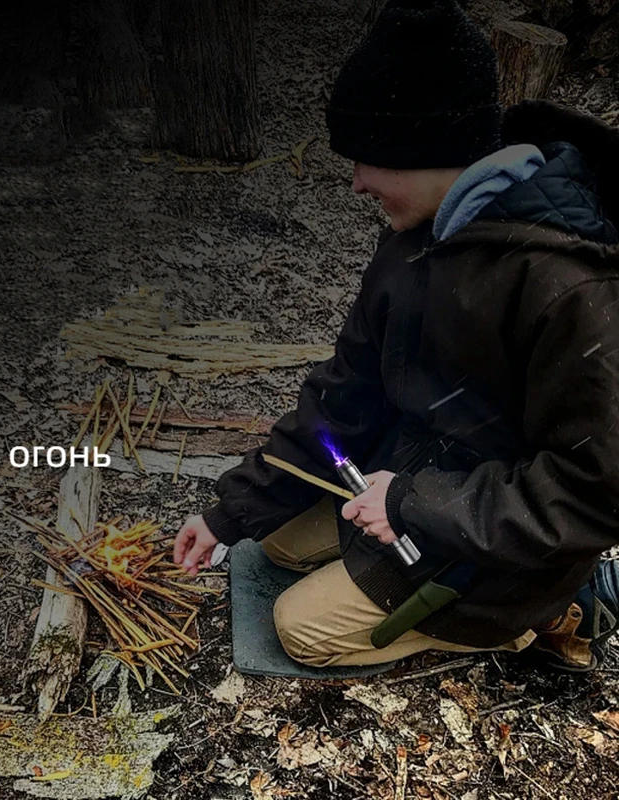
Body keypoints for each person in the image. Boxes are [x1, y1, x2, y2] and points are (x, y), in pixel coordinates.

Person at [173, 0, 619, 672]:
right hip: (412, 482)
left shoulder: (567, 285)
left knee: (299, 630)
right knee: (271, 546)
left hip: (497, 551)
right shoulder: (416, 238)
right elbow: (345, 393)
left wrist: (414, 505)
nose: (355, 183)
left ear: (427, 152)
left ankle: (552, 612)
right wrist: (229, 514)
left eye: (368, 159)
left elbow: (593, 491)